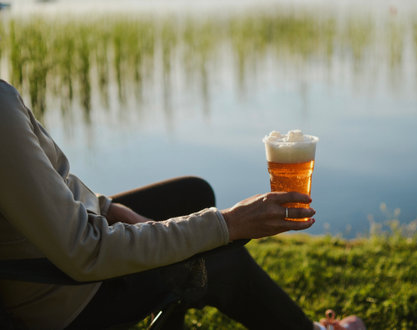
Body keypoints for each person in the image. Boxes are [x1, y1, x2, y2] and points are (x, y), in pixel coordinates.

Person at [0, 79, 364, 329]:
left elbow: (48, 186)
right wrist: (229, 224)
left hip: (50, 256)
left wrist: (109, 207)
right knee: (222, 259)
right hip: (60, 297)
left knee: (191, 194)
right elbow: (85, 253)